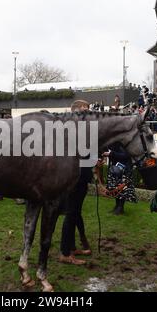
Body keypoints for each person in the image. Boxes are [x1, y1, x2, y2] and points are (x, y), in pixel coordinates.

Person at [59, 100, 93, 265]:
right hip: (74, 179)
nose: (87, 112)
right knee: (71, 214)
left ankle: (71, 248)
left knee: (75, 213)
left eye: (88, 109)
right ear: (75, 111)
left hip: (82, 179)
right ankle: (65, 253)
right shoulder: (69, 129)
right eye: (84, 109)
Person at [102, 143, 135, 215]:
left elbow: (126, 156)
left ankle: (120, 208)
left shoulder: (124, 144)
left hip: (124, 171)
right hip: (117, 170)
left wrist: (111, 154)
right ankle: (117, 207)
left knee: (122, 190)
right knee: (116, 188)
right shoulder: (115, 143)